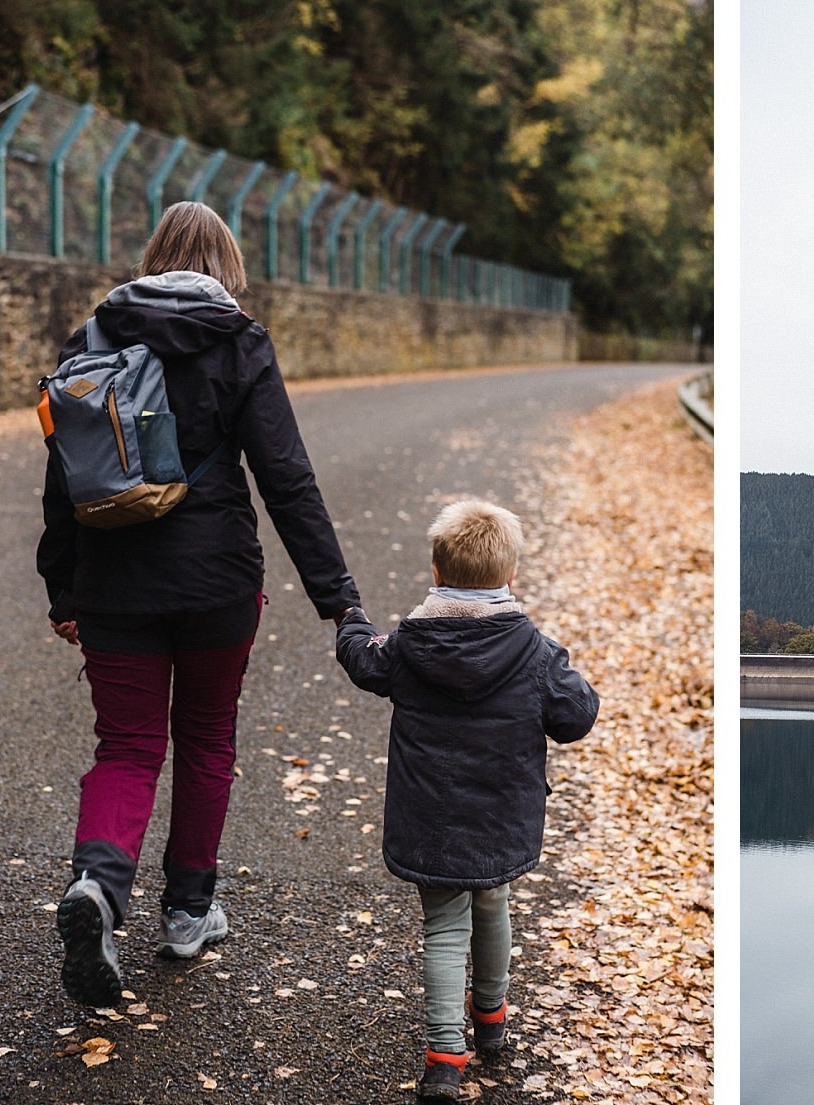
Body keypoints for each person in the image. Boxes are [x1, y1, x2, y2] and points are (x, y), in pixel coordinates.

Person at [37, 201, 360, 1008]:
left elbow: (64, 477)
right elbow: (287, 478)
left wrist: (64, 588)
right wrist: (337, 598)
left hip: (115, 583)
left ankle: (100, 889)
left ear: (153, 257)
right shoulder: (238, 338)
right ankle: (186, 911)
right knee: (207, 739)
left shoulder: (95, 337)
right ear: (227, 262)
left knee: (127, 747)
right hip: (218, 582)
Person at [334, 498, 598, 1101]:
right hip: (502, 814)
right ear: (511, 577)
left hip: (430, 816)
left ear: (435, 571)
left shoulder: (406, 646)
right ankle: (491, 1019)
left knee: (444, 924)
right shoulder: (536, 652)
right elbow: (576, 716)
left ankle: (444, 1056)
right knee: (493, 902)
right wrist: (569, 679)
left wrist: (351, 618)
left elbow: (361, 660)